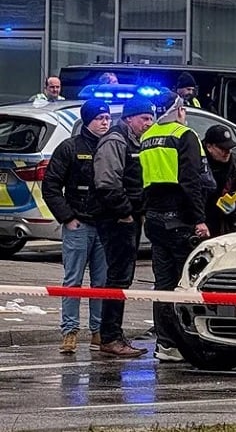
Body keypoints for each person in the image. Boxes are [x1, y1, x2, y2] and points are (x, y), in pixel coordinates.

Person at [139, 90, 213, 362]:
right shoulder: (185, 136)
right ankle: (189, 342)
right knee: (188, 284)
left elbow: (142, 181)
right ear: (179, 110)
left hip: (155, 218)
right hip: (180, 219)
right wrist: (199, 219)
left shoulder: (147, 137)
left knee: (163, 284)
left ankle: (166, 343)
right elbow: (191, 180)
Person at [42, 99, 111, 354]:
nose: (104, 123)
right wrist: (67, 217)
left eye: (107, 118)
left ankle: (99, 332)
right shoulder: (70, 148)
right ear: (87, 120)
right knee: (73, 281)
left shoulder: (112, 146)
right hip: (78, 225)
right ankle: (69, 332)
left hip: (104, 225)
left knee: (102, 283)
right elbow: (50, 186)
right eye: (99, 118)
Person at [93, 96, 156, 358]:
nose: (148, 124)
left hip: (126, 217)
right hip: (116, 219)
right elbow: (107, 182)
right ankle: (110, 336)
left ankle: (112, 334)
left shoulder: (132, 141)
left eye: (152, 119)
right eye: (144, 118)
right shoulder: (116, 140)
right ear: (130, 118)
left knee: (121, 277)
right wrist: (126, 213)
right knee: (117, 278)